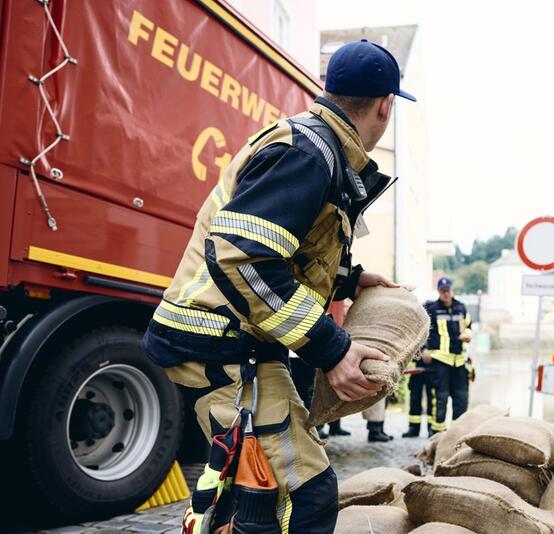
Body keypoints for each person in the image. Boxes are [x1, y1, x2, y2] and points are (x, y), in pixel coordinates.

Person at [141, 39, 414, 533]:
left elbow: (285, 254)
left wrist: (348, 279)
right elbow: (242, 257)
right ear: (385, 104)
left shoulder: (315, 147)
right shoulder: (309, 155)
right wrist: (332, 350)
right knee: (304, 493)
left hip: (231, 342)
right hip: (223, 345)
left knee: (251, 484)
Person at [422, 277, 473, 435]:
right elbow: (423, 331)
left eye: (448, 290)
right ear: (438, 291)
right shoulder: (431, 308)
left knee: (461, 399)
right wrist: (424, 349)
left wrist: (468, 334)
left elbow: (469, 326)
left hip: (459, 361)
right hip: (440, 360)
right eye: (442, 290)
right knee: (440, 398)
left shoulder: (461, 308)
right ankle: (437, 434)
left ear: (451, 290)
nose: (446, 293)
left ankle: (457, 434)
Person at [402, 351, 433, 438]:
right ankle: (413, 428)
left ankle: (431, 428)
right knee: (414, 398)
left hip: (432, 367)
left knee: (432, 399)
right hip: (416, 368)